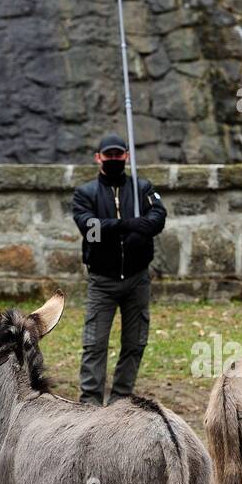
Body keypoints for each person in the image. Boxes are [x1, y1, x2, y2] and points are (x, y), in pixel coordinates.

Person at [70, 132, 167, 405]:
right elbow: (90, 229)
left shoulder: (143, 188)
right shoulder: (85, 194)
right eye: (108, 155)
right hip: (102, 281)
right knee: (95, 344)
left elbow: (157, 219)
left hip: (137, 279)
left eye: (118, 154)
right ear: (98, 158)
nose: (113, 159)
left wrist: (136, 226)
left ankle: (121, 400)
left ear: (126, 156)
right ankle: (89, 403)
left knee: (135, 343)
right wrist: (129, 225)